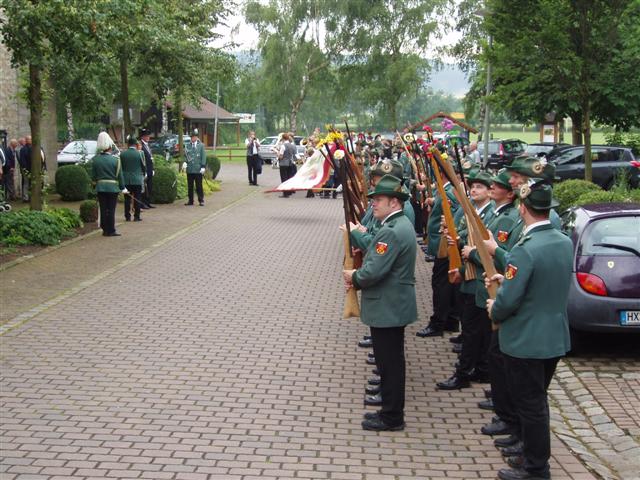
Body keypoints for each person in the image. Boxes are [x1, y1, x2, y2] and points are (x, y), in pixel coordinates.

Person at [486, 182, 572, 480]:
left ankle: (536, 468)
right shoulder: (563, 241)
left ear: (522, 208)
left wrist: (494, 308)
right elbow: (541, 283)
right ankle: (529, 454)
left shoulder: (526, 248)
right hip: (553, 334)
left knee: (530, 405)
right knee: (537, 400)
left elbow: (508, 301)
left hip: (525, 338)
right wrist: (507, 279)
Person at [343, 174, 417, 432]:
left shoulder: (391, 231)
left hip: (388, 305)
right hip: (393, 304)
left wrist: (354, 277)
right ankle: (389, 411)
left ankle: (392, 417)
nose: (373, 203)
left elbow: (373, 271)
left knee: (390, 365)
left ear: (394, 202)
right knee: (390, 362)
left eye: (379, 200)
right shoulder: (398, 225)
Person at [91, 132, 126, 237]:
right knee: (111, 209)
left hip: (100, 188)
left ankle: (104, 229)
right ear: (110, 147)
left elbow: (93, 177)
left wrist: (94, 186)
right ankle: (111, 230)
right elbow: (120, 176)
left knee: (103, 208)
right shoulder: (116, 160)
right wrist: (122, 187)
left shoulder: (95, 160)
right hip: (112, 188)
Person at [120, 136, 146, 222]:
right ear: (135, 144)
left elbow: (120, 167)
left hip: (126, 179)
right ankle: (136, 216)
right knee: (137, 198)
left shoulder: (122, 154)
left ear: (128, 144)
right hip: (137, 179)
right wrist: (144, 174)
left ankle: (127, 216)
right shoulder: (140, 153)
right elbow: (143, 166)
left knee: (127, 199)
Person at [183, 128, 207, 206]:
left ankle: (201, 200)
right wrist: (184, 162)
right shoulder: (187, 146)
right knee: (190, 186)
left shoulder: (201, 146)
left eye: (193, 137)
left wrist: (203, 166)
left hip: (198, 169)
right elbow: (186, 156)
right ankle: (190, 200)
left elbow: (203, 157)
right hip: (190, 169)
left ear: (196, 137)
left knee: (199, 186)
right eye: (191, 137)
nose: (192, 138)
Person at [139, 128, 155, 208]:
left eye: (148, 136)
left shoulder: (147, 145)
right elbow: (142, 159)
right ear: (142, 137)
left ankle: (148, 202)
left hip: (149, 169)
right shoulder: (141, 146)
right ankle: (143, 203)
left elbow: (150, 157)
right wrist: (144, 171)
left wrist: (153, 169)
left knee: (149, 187)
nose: (148, 137)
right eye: (146, 136)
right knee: (144, 188)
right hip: (145, 169)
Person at [277, 133, 297, 198]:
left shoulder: (283, 146)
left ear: (283, 138)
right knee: (288, 178)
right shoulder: (292, 145)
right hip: (290, 163)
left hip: (283, 163)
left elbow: (281, 156)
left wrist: (277, 153)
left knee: (284, 178)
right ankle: (289, 192)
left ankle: (285, 193)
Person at [18, 135, 33, 202]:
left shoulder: (32, 148)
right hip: (26, 169)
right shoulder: (23, 149)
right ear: (27, 140)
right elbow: (23, 161)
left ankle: (31, 196)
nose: (31, 140)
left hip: (32, 169)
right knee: (26, 183)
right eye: (30, 139)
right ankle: (25, 197)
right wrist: (25, 169)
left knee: (31, 183)